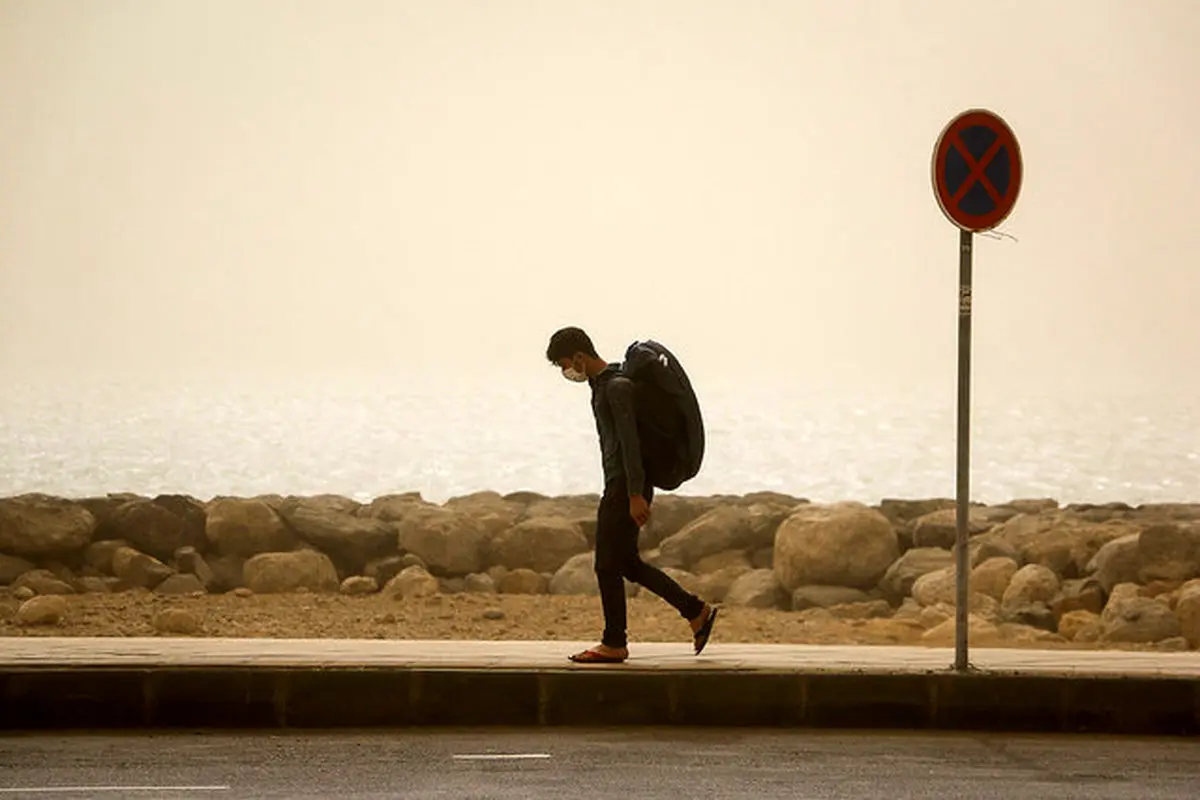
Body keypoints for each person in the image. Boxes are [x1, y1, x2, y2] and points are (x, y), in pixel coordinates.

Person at [545, 326, 719, 664]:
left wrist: (635, 494)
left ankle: (615, 642)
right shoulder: (606, 386)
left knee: (606, 565)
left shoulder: (616, 388)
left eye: (565, 364)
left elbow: (629, 444)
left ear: (579, 357)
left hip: (625, 485)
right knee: (626, 562)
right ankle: (695, 611)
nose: (567, 372)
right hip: (623, 484)